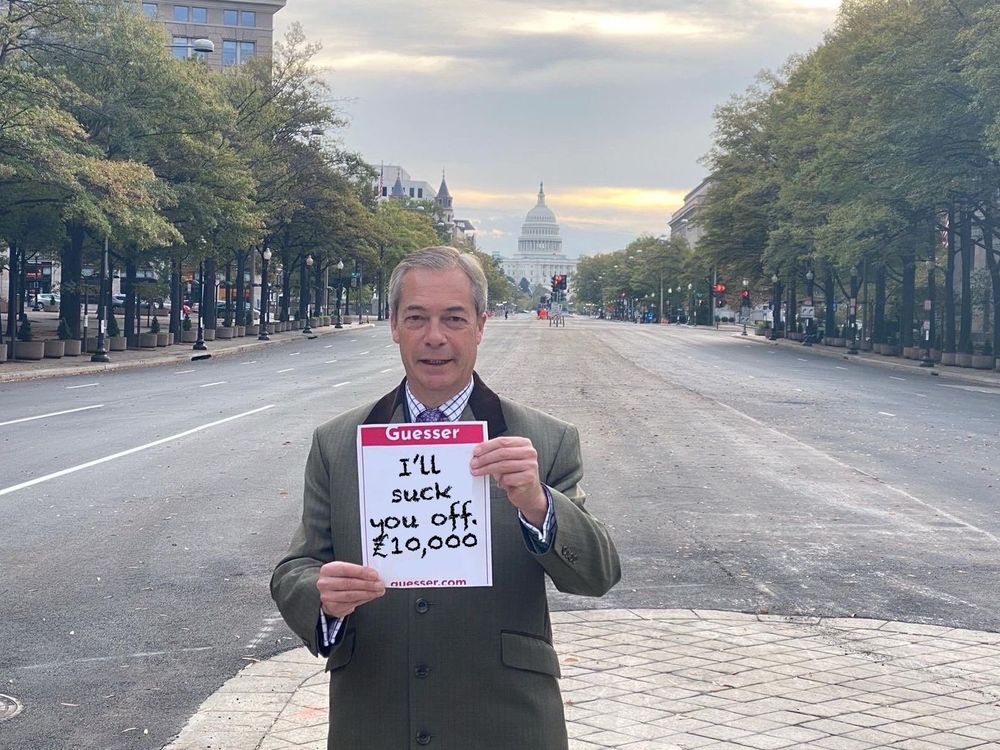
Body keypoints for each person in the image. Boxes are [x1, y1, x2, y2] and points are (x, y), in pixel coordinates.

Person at [271, 245, 621, 749]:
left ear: (481, 324)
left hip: (506, 722)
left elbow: (598, 575)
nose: (435, 337)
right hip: (375, 719)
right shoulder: (339, 442)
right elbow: (297, 567)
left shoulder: (544, 441)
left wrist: (539, 504)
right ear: (394, 325)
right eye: (417, 318)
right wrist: (322, 599)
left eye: (453, 319)